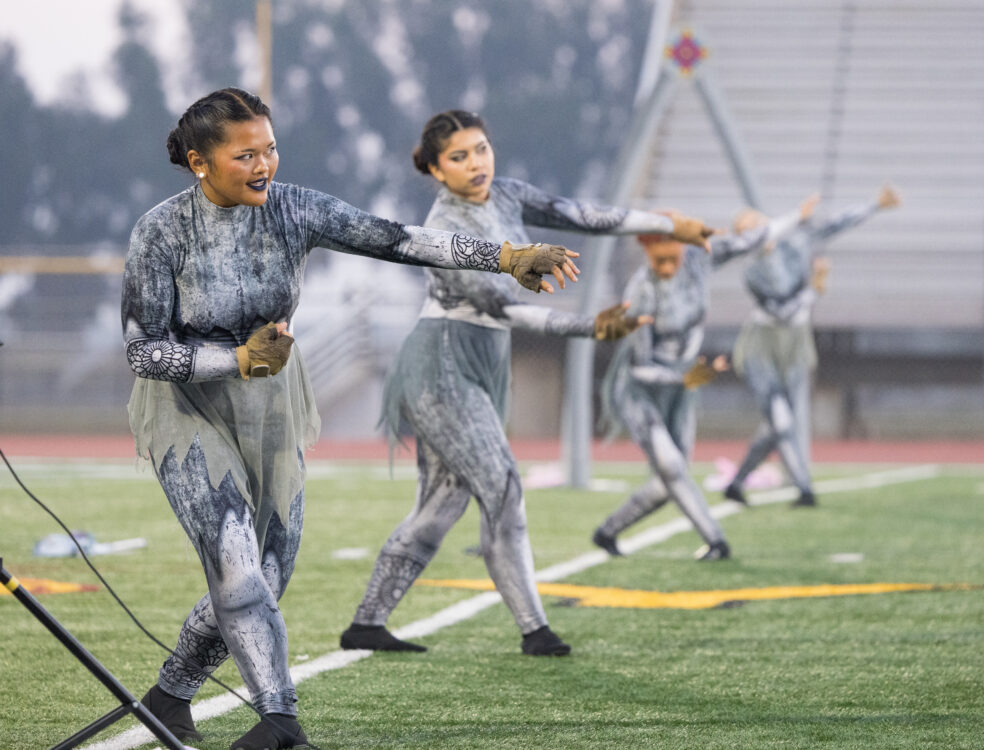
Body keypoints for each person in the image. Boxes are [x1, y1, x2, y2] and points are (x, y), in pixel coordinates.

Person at [122, 89, 576, 750]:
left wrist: (507, 256)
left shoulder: (296, 208)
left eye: (269, 148)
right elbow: (142, 350)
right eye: (244, 153)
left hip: (271, 397)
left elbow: (397, 240)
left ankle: (170, 695)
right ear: (199, 162)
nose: (264, 164)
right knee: (236, 562)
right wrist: (234, 359)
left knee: (268, 575)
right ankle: (280, 721)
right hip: (185, 405)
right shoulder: (159, 232)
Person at [339, 109, 713, 657]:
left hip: (478, 359)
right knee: (504, 489)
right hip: (442, 363)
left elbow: (574, 214)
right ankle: (535, 630)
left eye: (482, 149)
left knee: (442, 505)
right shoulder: (444, 229)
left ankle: (366, 625)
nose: (476, 164)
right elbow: (507, 310)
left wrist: (661, 223)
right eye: (459, 157)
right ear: (437, 171)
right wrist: (589, 326)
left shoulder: (507, 194)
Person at [591, 206, 804, 561]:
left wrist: (797, 216)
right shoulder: (641, 291)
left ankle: (608, 531)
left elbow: (750, 240)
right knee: (672, 468)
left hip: (682, 388)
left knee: (670, 479)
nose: (667, 268)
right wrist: (683, 376)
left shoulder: (699, 261)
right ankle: (716, 541)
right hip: (642, 392)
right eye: (658, 260)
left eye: (672, 257)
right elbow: (640, 365)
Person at [723, 185, 901, 508]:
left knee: (782, 421)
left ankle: (738, 482)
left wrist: (874, 205)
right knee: (780, 420)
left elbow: (834, 226)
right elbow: (784, 306)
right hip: (763, 346)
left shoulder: (795, 243)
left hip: (795, 341)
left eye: (758, 222)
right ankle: (804, 489)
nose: (758, 229)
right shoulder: (752, 272)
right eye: (748, 228)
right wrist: (816, 288)